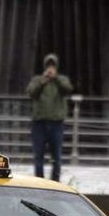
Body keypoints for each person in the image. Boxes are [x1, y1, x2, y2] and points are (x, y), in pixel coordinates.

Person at [26, 53, 73, 181]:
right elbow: (31, 93)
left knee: (56, 158)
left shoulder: (62, 80)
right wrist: (43, 82)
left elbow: (68, 90)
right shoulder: (37, 80)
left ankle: (55, 182)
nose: (50, 68)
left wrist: (56, 79)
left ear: (56, 67)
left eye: (52, 66)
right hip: (39, 124)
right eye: (48, 65)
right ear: (45, 67)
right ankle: (40, 182)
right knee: (38, 157)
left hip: (56, 124)